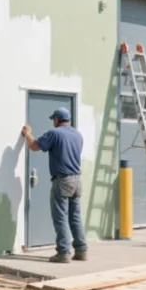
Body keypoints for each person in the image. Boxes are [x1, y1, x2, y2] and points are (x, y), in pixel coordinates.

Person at [21, 107, 88, 263]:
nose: (53, 122)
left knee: (60, 217)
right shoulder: (77, 135)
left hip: (62, 180)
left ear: (57, 119)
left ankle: (64, 253)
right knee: (75, 217)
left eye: (54, 119)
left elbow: (35, 146)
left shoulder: (54, 133)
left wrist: (27, 133)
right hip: (77, 180)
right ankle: (81, 250)